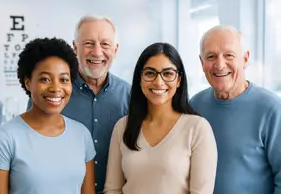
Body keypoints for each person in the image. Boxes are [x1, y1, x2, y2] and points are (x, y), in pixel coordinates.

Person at [26, 15, 130, 193]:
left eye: (105, 44)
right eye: (89, 43)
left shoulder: (130, 95)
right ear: (75, 47)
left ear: (116, 49)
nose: (97, 52)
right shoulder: (51, 95)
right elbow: (30, 149)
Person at [0, 38, 96, 194]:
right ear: (28, 82)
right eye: (45, 79)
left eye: (64, 79)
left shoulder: (82, 134)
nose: (56, 88)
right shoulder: (4, 137)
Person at [104, 42, 217, 194]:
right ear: (140, 78)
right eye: (150, 73)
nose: (158, 82)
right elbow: (113, 190)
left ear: (179, 80)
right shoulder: (122, 127)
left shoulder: (197, 128)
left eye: (168, 73)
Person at [190, 25, 281, 194]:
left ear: (245, 59)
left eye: (229, 55)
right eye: (211, 56)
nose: (220, 64)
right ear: (202, 63)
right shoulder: (194, 106)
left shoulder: (272, 109)